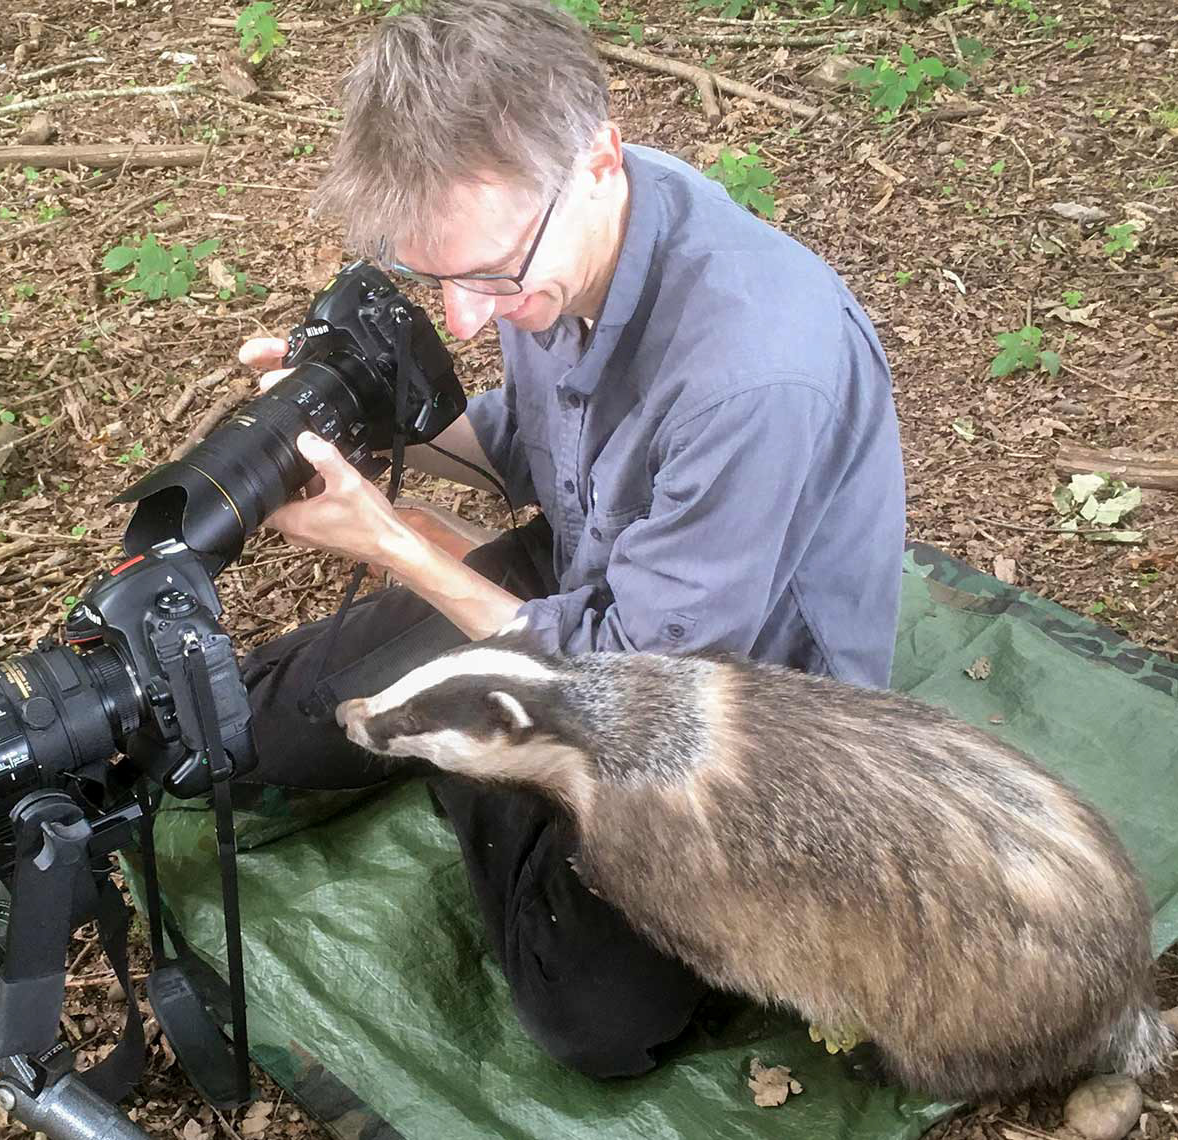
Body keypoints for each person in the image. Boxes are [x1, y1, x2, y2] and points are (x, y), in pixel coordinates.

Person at [230, 0, 907, 1079]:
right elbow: (534, 445)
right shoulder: (570, 237)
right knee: (258, 731)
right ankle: (479, 750)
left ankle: (477, 768)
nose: (468, 318)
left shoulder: (753, 372)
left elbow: (642, 678)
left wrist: (402, 548)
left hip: (734, 703)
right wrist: (372, 418)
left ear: (598, 156)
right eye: (436, 278)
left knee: (589, 1016)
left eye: (491, 276)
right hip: (589, 586)